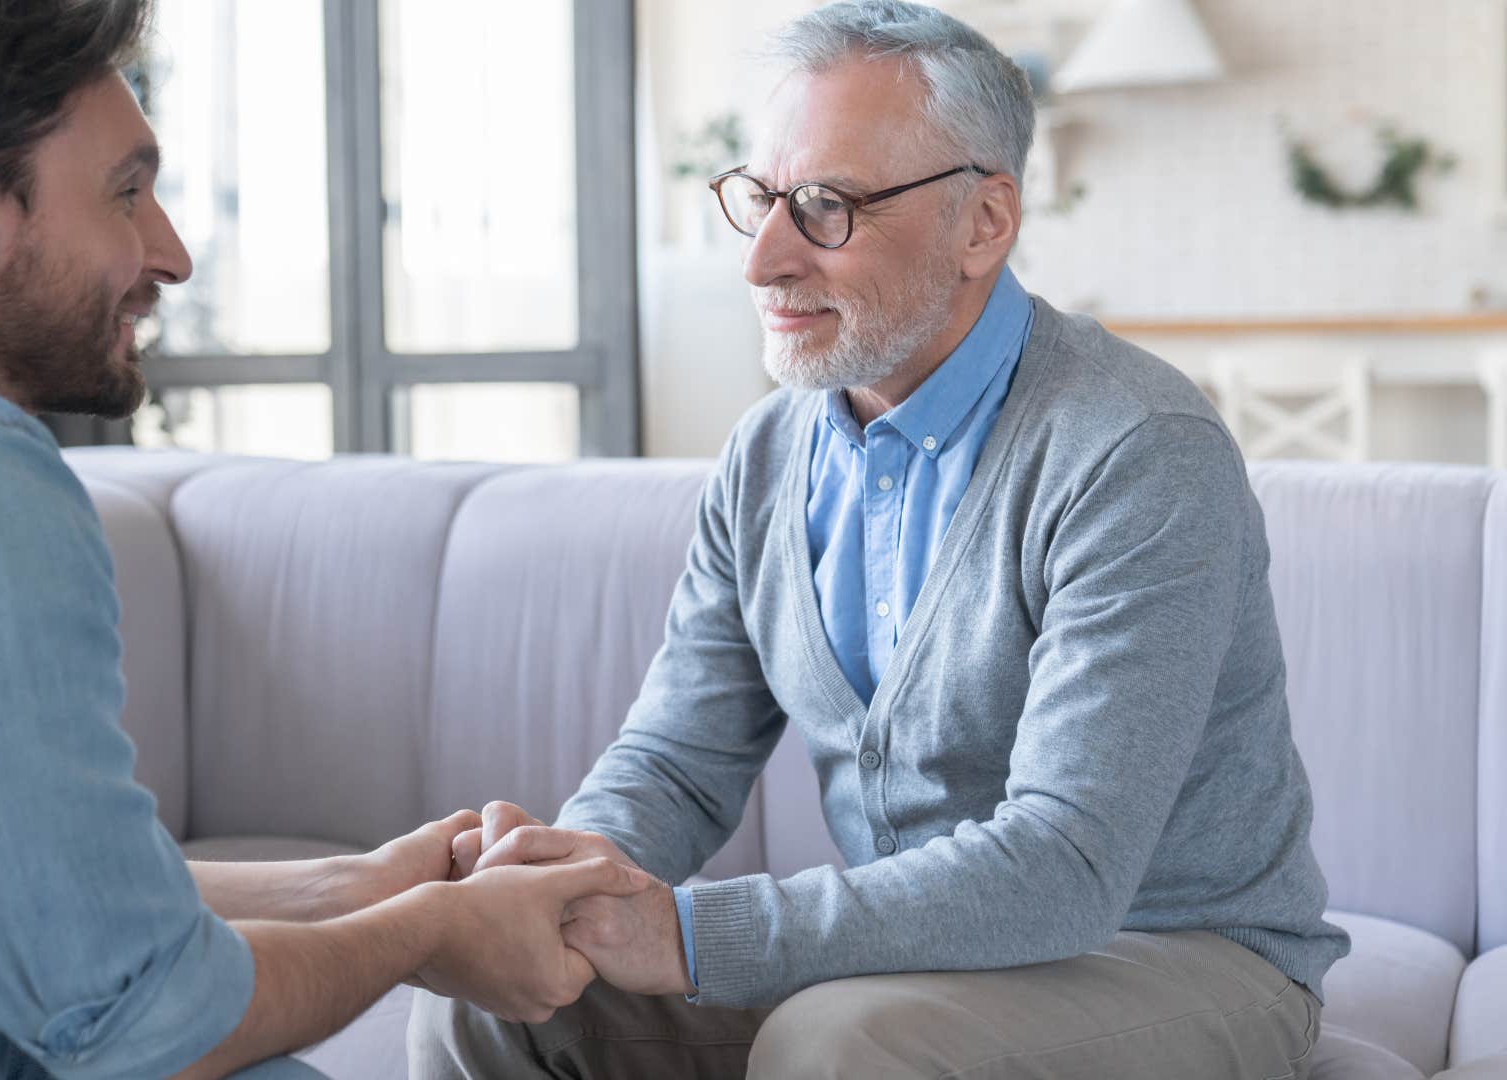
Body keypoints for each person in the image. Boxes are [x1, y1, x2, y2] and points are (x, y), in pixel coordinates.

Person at [0, 2, 650, 1077]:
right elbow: (143, 1026)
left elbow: (42, 883)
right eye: (126, 195)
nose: (171, 254)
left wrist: (368, 887)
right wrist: (431, 938)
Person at [410, 2, 1350, 1076]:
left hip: (1179, 958)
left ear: (983, 224)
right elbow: (677, 761)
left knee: (841, 1044)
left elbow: (1066, 863)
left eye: (823, 207)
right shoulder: (766, 456)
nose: (764, 258)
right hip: (920, 970)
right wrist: (565, 886)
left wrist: (685, 933)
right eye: (760, 198)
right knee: (492, 1005)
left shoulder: (1134, 449)